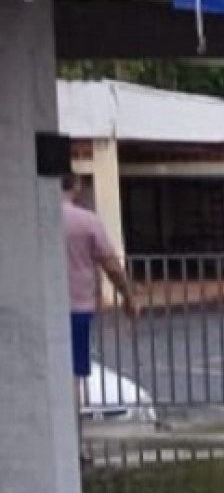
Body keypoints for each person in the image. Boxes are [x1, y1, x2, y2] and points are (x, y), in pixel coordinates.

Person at [63, 175, 137, 414]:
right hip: (77, 306)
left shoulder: (29, 218)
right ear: (75, 186)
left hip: (40, 308)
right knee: (73, 374)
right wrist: (127, 295)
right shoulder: (87, 221)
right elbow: (111, 265)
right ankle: (73, 438)